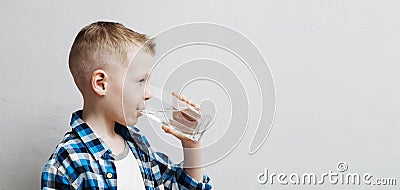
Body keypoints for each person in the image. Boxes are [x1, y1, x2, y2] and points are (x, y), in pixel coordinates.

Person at [41, 21, 212, 190]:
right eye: (140, 81)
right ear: (101, 84)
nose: (148, 94)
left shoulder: (138, 144)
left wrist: (191, 145)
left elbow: (181, 186)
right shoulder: (67, 163)